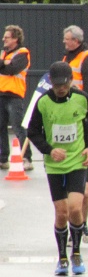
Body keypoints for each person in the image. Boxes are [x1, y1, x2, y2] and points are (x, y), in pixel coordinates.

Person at [27, 62, 88, 276]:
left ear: (71, 81)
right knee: (61, 213)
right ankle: (62, 258)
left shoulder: (81, 98)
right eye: (57, 84)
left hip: (77, 161)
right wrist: (49, 150)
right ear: (50, 82)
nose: (61, 88)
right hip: (55, 165)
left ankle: (76, 253)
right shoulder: (43, 103)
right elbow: (33, 132)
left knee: (76, 208)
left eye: (65, 84)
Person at [62, 25, 88, 243]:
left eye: (67, 39)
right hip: (67, 116)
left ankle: (83, 223)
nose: (64, 42)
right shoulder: (66, 58)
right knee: (71, 192)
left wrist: (82, 103)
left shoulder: (87, 56)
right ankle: (74, 226)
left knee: (84, 192)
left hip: (83, 115)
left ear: (76, 40)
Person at [1, 25, 33, 171]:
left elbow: (13, 69)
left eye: (7, 37)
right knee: (1, 127)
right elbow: (6, 67)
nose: (4, 39)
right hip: (1, 94)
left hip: (15, 95)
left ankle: (26, 158)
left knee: (18, 127)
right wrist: (4, 63)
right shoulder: (3, 54)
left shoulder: (23, 53)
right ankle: (3, 159)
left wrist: (5, 65)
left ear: (15, 39)